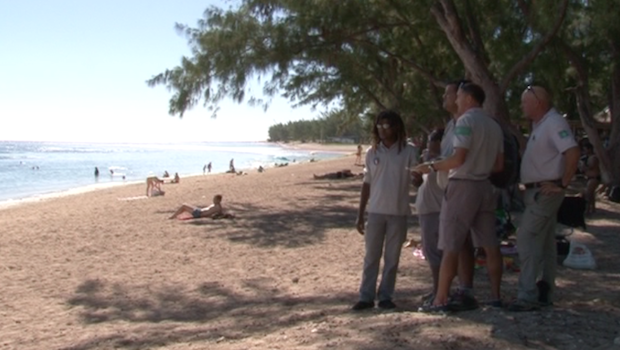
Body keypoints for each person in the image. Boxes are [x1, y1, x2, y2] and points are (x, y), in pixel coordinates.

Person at [415, 82, 504, 312]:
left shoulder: (466, 121)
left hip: (463, 186)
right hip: (485, 186)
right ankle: (495, 296)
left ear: (470, 99)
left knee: (450, 244)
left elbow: (458, 159)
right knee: (491, 245)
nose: (456, 101)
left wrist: (432, 167)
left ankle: (440, 299)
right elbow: (499, 165)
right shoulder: (494, 126)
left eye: (459, 97)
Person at [508, 85, 580, 312]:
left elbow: (573, 151)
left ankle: (527, 294)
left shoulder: (554, 123)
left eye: (524, 102)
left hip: (545, 193)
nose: (522, 106)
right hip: (535, 192)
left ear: (538, 102)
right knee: (547, 243)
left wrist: (562, 184)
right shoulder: (541, 125)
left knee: (526, 237)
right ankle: (545, 291)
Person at [352, 110, 418, 311]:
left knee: (392, 258)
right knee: (371, 256)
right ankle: (366, 297)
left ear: (396, 127)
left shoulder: (409, 151)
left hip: (398, 212)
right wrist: (360, 213)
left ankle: (386, 296)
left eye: (386, 125)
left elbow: (417, 178)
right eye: (379, 126)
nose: (381, 129)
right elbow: (367, 183)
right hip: (376, 212)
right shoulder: (372, 152)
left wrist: (419, 178)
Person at [411, 128, 445, 305]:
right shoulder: (430, 160)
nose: (430, 146)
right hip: (426, 209)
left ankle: (439, 291)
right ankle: (437, 289)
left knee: (435, 253)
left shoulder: (443, 161)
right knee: (432, 253)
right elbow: (423, 183)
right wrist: (417, 178)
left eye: (433, 141)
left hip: (435, 210)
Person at [581, 142, 601, 214]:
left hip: (594, 178)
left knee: (588, 193)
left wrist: (583, 165)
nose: (584, 151)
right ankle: (593, 209)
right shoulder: (587, 158)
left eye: (585, 149)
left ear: (589, 149)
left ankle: (588, 209)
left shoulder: (593, 158)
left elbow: (591, 167)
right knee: (591, 194)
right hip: (589, 177)